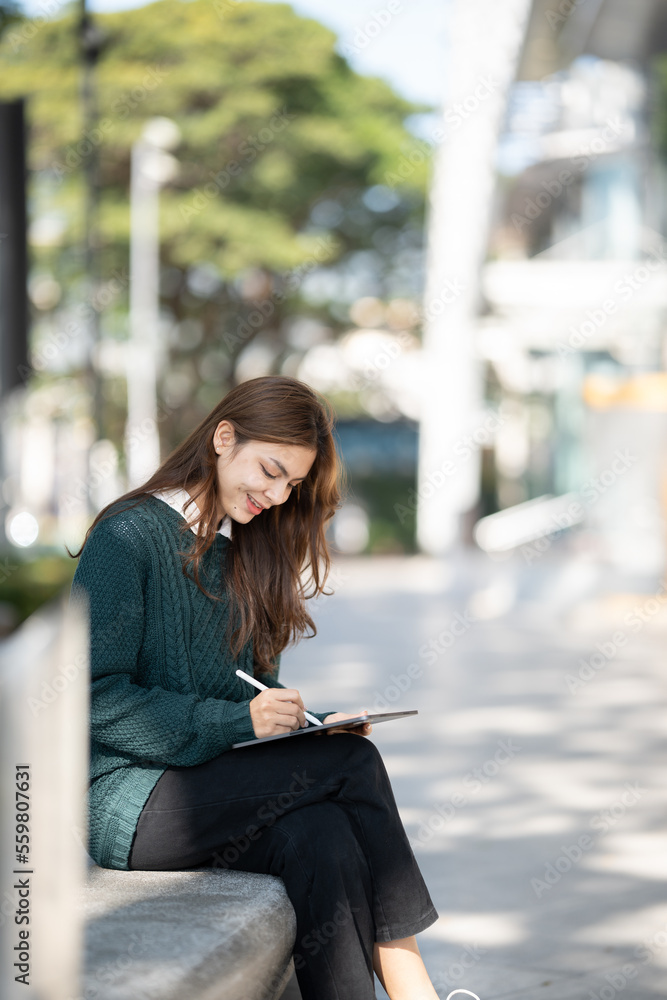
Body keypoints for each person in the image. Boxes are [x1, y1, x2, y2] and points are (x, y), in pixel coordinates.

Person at [69, 375, 478, 1000]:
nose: (276, 495)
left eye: (290, 484)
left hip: (206, 785)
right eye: (269, 470)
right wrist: (248, 726)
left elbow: (245, 698)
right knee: (353, 762)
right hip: (127, 803)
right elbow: (93, 701)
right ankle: (412, 984)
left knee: (324, 837)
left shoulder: (248, 554)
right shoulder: (127, 538)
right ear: (223, 438)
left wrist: (308, 722)